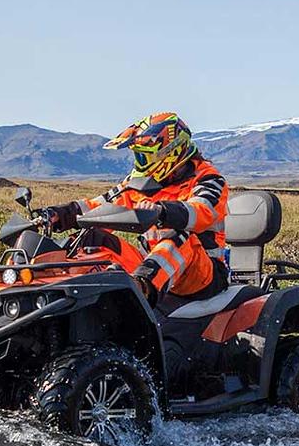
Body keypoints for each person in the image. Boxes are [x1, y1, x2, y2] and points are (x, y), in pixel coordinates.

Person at [40, 112, 229, 305]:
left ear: (169, 152)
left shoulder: (208, 180)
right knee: (93, 236)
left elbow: (201, 212)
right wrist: (62, 214)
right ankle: (55, 292)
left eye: (143, 156)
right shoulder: (141, 182)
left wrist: (161, 211)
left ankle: (139, 292)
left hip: (201, 274)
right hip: (152, 265)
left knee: (180, 235)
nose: (140, 163)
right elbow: (102, 205)